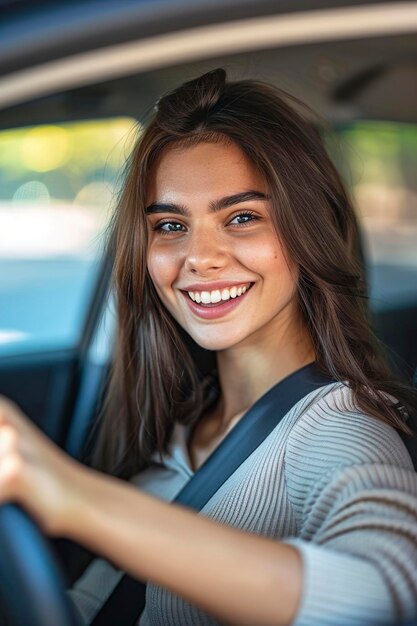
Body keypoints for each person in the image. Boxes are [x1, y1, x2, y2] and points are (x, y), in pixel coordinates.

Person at [0, 67, 417, 626]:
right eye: (170, 226)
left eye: (242, 217)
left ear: (309, 229)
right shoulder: (180, 428)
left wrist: (71, 496)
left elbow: (386, 596)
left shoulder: (342, 425)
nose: (199, 256)